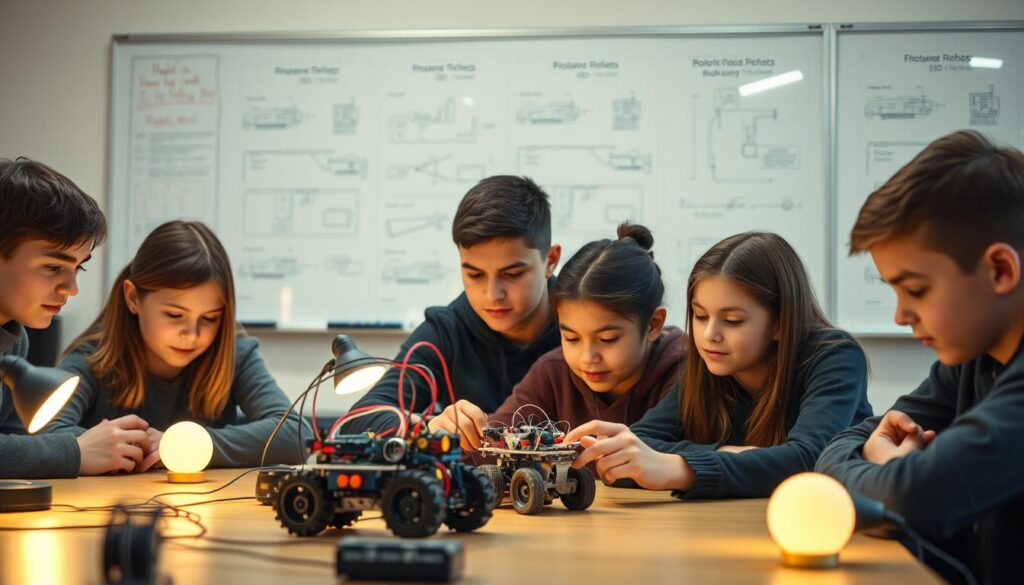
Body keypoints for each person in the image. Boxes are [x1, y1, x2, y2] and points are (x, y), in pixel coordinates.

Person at [817, 130, 1024, 585]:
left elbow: (914, 497)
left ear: (1000, 270)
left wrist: (895, 472)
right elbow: (837, 449)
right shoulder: (970, 359)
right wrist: (878, 459)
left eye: (916, 290)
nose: (899, 316)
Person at [566, 231, 872, 498]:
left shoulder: (835, 357)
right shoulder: (707, 366)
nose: (710, 335)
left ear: (780, 322)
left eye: (732, 320)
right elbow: (638, 448)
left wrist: (681, 468)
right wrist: (729, 453)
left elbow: (810, 460)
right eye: (700, 316)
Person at [46, 220, 305, 472]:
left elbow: (296, 433)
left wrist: (188, 444)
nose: (192, 335)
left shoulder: (236, 354)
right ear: (133, 298)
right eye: (174, 315)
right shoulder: (92, 358)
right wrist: (120, 446)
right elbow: (46, 434)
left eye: (210, 318)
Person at [340, 176, 562, 437]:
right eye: (475, 275)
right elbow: (355, 423)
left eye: (512, 274)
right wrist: (426, 426)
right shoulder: (445, 332)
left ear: (550, 260)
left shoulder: (589, 323)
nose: (492, 294)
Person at [433, 223, 684, 450]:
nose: (587, 358)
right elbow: (492, 446)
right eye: (572, 339)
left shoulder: (689, 370)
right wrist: (455, 434)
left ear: (653, 325)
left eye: (608, 339)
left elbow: (688, 453)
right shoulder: (552, 372)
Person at [0, 157, 151, 478]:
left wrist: (110, 445)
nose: (72, 288)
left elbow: (17, 439)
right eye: (54, 267)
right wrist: (76, 451)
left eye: (78, 267)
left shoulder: (13, 339)